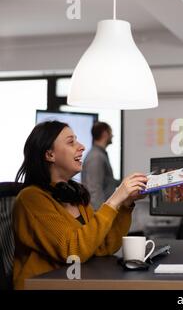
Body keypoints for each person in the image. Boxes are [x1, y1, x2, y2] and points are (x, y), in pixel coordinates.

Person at [13, 121, 147, 289]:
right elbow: (73, 251)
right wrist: (113, 200)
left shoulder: (74, 195)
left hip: (76, 282)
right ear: (50, 155)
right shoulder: (31, 199)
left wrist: (126, 203)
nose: (82, 146)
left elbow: (104, 246)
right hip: (45, 285)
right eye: (71, 142)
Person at [82, 121, 120, 210]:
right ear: (105, 133)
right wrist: (100, 216)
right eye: (111, 132)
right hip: (99, 213)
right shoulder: (96, 156)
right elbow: (94, 189)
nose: (112, 136)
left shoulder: (99, 154)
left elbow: (107, 181)